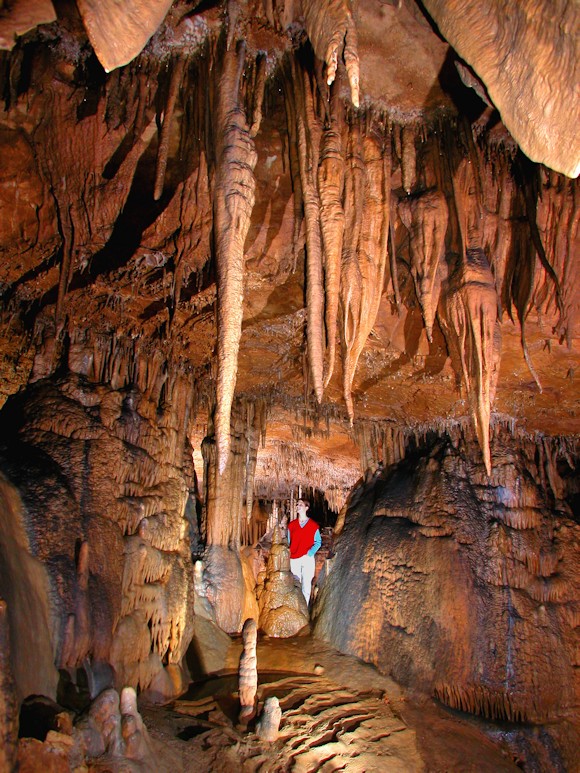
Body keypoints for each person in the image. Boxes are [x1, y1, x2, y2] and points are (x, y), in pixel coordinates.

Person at [287, 499, 321, 605]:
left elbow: (318, 542)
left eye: (300, 505)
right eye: (297, 504)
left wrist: (310, 553)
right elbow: (289, 542)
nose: (297, 506)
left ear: (306, 508)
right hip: (294, 558)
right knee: (296, 584)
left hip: (307, 558)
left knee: (306, 584)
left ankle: (304, 608)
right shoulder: (291, 525)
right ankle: (296, 608)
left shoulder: (313, 525)